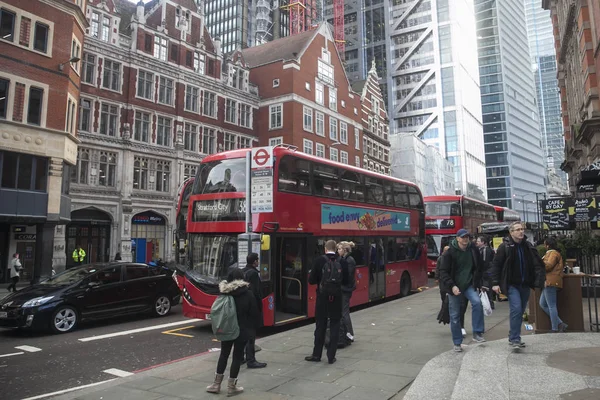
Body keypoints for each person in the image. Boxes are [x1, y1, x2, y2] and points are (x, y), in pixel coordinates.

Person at [491, 222, 545, 348]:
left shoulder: (527, 246)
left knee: (520, 311)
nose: (521, 232)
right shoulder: (505, 247)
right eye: (518, 229)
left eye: (522, 229)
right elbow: (496, 265)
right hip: (512, 284)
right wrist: (495, 283)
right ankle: (515, 338)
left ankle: (513, 335)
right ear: (511, 232)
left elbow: (537, 264)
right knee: (516, 309)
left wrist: (540, 280)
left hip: (525, 284)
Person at [206, 268, 259, 396]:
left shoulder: (224, 293)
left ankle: (216, 384)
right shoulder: (248, 294)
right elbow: (254, 314)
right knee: (237, 357)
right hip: (242, 330)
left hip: (227, 328)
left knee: (224, 354)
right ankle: (231, 386)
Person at [438, 229, 486, 352]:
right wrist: (452, 286)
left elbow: (479, 267)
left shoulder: (473, 249)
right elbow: (443, 272)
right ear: (457, 238)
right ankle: (457, 343)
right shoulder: (449, 253)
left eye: (467, 237)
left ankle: (477, 333)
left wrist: (479, 282)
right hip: (454, 286)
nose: (466, 239)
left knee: (477, 303)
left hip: (469, 285)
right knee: (455, 316)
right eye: (463, 237)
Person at [305, 239, 348, 364]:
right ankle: (331, 356)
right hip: (337, 297)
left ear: (325, 248)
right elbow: (346, 282)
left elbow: (311, 280)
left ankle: (316, 355)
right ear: (335, 249)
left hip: (322, 297)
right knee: (335, 325)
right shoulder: (342, 261)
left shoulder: (319, 260)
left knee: (320, 325)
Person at [435, 245, 469, 338]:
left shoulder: (457, 259)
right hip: (446, 286)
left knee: (461, 306)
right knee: (450, 306)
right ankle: (457, 326)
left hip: (459, 286)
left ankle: (460, 326)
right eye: (446, 251)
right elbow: (439, 270)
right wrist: (437, 278)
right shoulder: (441, 259)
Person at [241, 253, 267, 368]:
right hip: (252, 308)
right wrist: (259, 308)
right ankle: (251, 360)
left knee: (242, 334)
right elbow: (256, 292)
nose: (258, 262)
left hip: (242, 307)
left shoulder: (242, 271)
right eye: (257, 260)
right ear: (254, 262)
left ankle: (240, 357)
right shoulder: (254, 274)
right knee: (251, 335)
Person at [540, 237, 567, 333]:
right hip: (550, 281)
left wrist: (539, 261)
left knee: (551, 305)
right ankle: (560, 324)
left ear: (547, 245)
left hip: (550, 281)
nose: (544, 246)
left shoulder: (553, 253)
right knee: (542, 304)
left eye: (544, 244)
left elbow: (548, 266)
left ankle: (555, 328)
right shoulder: (553, 253)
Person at [338, 241, 356, 342]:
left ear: (345, 250)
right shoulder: (345, 259)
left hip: (345, 289)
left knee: (345, 312)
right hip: (345, 288)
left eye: (340, 249)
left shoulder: (349, 260)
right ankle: (346, 333)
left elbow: (347, 276)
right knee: (343, 312)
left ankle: (350, 334)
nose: (338, 251)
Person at [476, 235, 496, 309]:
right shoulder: (481, 249)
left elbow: (485, 262)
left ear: (483, 242)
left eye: (478, 241)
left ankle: (489, 303)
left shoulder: (485, 250)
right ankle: (488, 302)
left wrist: (483, 271)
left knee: (487, 288)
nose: (477, 243)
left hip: (486, 272)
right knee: (486, 287)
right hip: (486, 272)